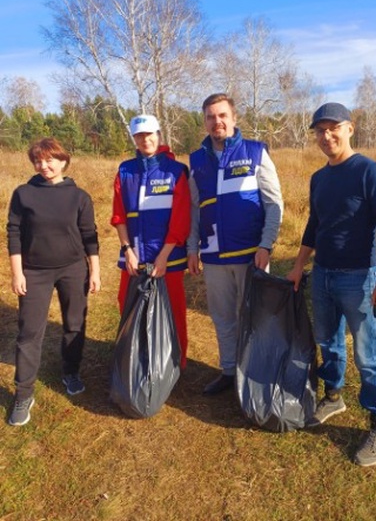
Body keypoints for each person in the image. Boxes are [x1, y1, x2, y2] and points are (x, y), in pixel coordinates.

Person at [287, 102, 376, 467]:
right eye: (320, 130)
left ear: (350, 129)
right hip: (323, 275)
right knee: (328, 342)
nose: (326, 136)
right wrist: (299, 265)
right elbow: (314, 224)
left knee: (368, 356)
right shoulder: (318, 178)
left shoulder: (370, 172)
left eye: (333, 128)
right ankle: (333, 396)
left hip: (360, 277)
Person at [188, 93, 283, 395]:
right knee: (223, 318)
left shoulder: (255, 152)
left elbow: (274, 203)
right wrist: (192, 248)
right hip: (214, 258)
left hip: (251, 256)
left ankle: (255, 375)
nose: (217, 121)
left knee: (255, 318)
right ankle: (229, 372)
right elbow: (193, 209)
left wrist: (266, 245)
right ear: (204, 122)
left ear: (233, 118)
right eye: (211, 117)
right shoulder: (197, 161)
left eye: (222, 115)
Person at [7, 137, 101, 426]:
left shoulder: (80, 196)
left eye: (49, 159)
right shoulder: (23, 194)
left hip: (73, 269)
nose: (43, 165)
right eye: (38, 160)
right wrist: (17, 272)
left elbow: (90, 236)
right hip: (34, 272)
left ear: (63, 161)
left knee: (74, 324)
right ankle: (24, 393)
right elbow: (13, 233)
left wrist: (94, 271)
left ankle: (70, 372)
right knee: (29, 333)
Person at [110, 114, 190, 369]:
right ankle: (136, 361)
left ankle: (175, 363)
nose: (146, 139)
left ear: (159, 134)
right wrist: (127, 250)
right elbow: (119, 215)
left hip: (169, 258)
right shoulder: (125, 170)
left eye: (150, 134)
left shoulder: (176, 171)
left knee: (173, 312)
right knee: (129, 308)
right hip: (133, 259)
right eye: (140, 135)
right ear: (134, 138)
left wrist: (164, 256)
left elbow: (180, 220)